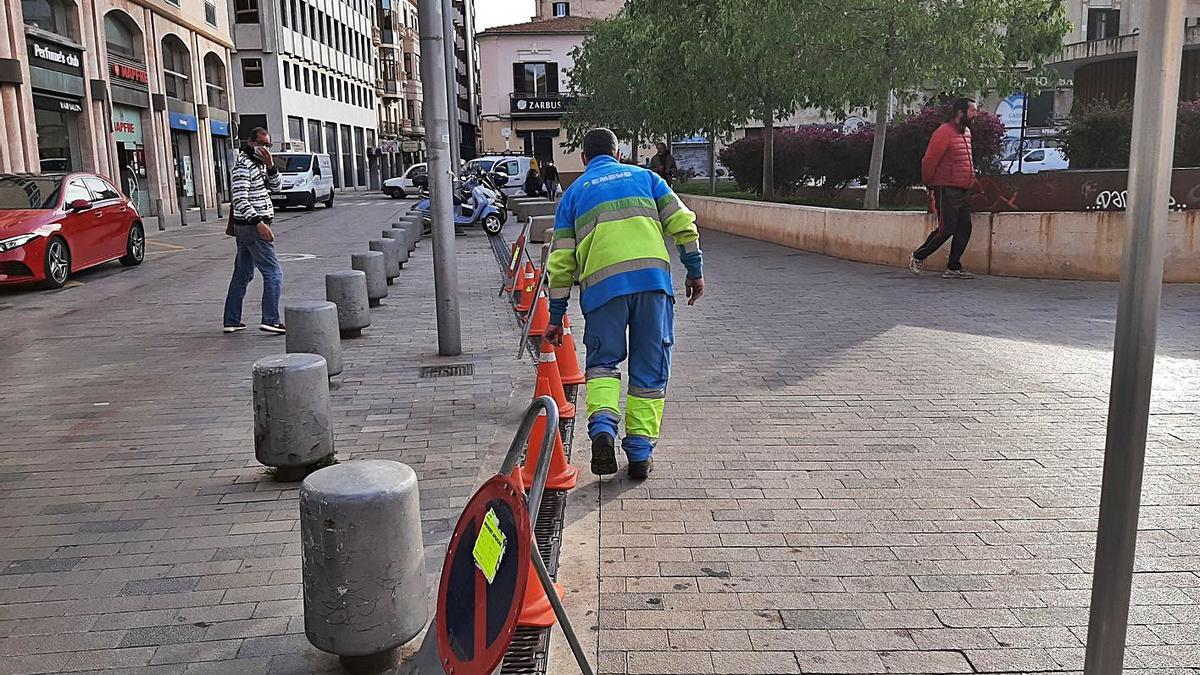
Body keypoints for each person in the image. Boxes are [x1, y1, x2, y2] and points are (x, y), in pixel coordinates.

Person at [543, 128, 705, 480]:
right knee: (649, 372)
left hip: (602, 292)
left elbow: (560, 263)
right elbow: (684, 225)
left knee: (602, 364)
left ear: (584, 159)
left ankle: (602, 427)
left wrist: (555, 316)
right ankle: (640, 454)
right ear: (617, 154)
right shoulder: (647, 178)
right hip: (653, 286)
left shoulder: (573, 196)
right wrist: (694, 271)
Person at [223, 127, 286, 334]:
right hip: (252, 227)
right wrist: (260, 223)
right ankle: (271, 319)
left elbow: (276, 188)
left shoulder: (259, 165)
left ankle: (231, 320)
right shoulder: (243, 166)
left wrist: (270, 166)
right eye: (261, 144)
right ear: (250, 143)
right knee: (273, 272)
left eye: (268, 145)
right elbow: (239, 199)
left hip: (250, 226)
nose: (265, 149)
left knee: (242, 273)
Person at [909, 97, 978, 279]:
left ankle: (953, 267)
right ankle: (918, 256)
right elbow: (929, 161)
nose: (975, 114)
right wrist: (929, 183)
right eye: (972, 111)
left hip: (963, 188)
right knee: (946, 229)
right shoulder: (943, 132)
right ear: (960, 112)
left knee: (965, 229)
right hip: (947, 189)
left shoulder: (967, 132)